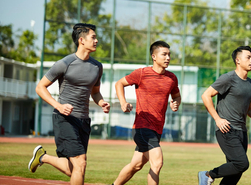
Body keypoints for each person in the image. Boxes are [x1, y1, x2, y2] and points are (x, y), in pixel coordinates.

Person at [28, 23, 110, 185]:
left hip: (84, 121)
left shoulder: (97, 67)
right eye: (93, 37)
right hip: (64, 118)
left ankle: (42, 157)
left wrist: (101, 102)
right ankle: (43, 157)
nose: (97, 41)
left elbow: (95, 92)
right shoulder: (64, 63)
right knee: (81, 163)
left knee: (75, 169)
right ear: (81, 40)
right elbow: (40, 87)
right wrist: (58, 105)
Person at [198, 46, 251, 185]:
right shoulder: (228, 78)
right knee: (242, 163)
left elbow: (250, 111)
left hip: (242, 132)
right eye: (248, 57)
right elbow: (206, 95)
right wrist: (217, 119)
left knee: (236, 172)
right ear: (238, 60)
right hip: (226, 129)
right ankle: (207, 175)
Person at [112, 41, 181, 185]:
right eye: (164, 54)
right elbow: (119, 83)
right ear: (154, 56)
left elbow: (176, 96)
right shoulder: (141, 73)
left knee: (135, 165)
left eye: (169, 54)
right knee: (157, 163)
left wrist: (176, 103)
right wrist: (123, 102)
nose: (168, 58)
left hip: (157, 128)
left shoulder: (172, 78)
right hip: (142, 127)